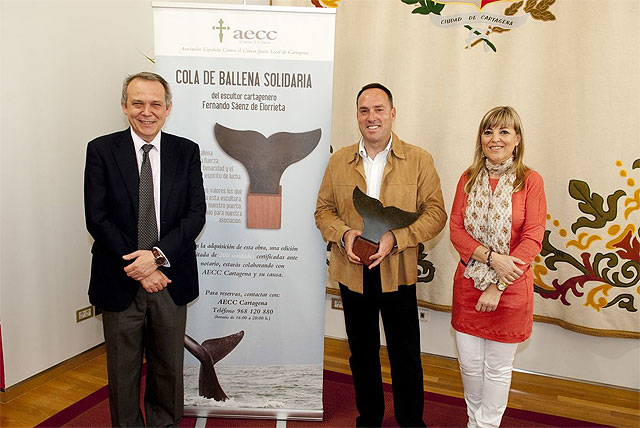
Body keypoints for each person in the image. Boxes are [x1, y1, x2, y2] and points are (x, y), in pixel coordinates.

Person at [315, 83, 447, 427]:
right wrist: (343, 233)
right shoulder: (338, 161)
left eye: (378, 109)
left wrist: (397, 238)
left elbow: (436, 214)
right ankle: (369, 418)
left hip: (397, 271)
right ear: (357, 116)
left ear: (392, 113)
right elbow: (323, 211)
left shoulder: (419, 160)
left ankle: (410, 422)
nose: (371, 117)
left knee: (405, 354)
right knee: (362, 353)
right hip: (352, 271)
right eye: (364, 110)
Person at [84, 72, 206, 427]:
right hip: (119, 279)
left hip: (170, 277)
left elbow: (195, 214)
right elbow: (97, 218)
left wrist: (154, 259)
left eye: (155, 104)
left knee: (168, 368)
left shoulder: (186, 151)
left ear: (168, 108)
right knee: (122, 372)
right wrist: (139, 267)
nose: (146, 112)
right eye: (138, 103)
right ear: (124, 106)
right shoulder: (101, 150)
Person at [449, 106, 546, 428]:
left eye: (504, 131)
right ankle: (473, 421)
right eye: (488, 131)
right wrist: (492, 259)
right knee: (469, 365)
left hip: (511, 288)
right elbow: (456, 230)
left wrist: (498, 284)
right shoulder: (467, 178)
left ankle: (486, 425)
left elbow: (533, 238)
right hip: (468, 283)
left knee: (497, 368)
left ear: (517, 139)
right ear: (481, 138)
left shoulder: (530, 181)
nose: (495, 138)